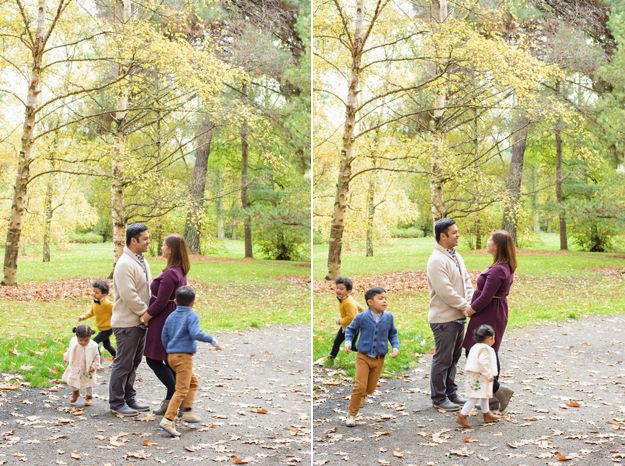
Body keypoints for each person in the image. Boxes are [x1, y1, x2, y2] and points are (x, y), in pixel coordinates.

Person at [462, 230, 516, 412]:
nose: (487, 242)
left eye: (490, 240)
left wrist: (470, 310)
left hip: (489, 313)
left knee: (478, 351)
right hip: (492, 312)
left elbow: (486, 296)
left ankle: (498, 391)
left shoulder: (499, 270)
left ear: (497, 245)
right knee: (485, 350)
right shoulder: (502, 266)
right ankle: (492, 396)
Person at [159, 286, 222, 437]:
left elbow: (164, 336)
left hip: (171, 356)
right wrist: (212, 340)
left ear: (175, 301)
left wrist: (170, 350)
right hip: (183, 358)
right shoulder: (192, 316)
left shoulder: (171, 316)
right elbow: (196, 333)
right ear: (193, 302)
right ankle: (168, 420)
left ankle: (187, 411)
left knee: (192, 383)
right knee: (181, 389)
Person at [426, 218, 474, 412]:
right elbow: (445, 291)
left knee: (454, 357)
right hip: (444, 318)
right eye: (454, 233)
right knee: (443, 358)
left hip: (459, 316)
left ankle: (451, 393)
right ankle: (438, 397)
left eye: (457, 231)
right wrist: (465, 306)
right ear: (442, 236)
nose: (457, 235)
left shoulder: (456, 255)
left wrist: (471, 303)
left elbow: (467, 281)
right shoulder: (436, 260)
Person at [140, 234, 190, 415]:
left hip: (163, 320)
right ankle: (174, 400)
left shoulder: (171, 273)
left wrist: (145, 317)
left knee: (153, 359)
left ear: (171, 249)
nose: (161, 247)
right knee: (169, 361)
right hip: (171, 317)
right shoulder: (179, 270)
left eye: (164, 245)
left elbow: (160, 302)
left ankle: (177, 394)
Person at [109, 223, 152, 417]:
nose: (148, 242)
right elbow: (129, 295)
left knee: (134, 363)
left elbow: (146, 289)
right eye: (145, 239)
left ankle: (129, 397)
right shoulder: (124, 264)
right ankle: (116, 402)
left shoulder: (141, 260)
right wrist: (145, 313)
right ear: (133, 240)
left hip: (140, 322)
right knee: (123, 363)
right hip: (127, 322)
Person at [344, 287, 399, 427]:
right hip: (363, 356)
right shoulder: (362, 317)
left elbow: (393, 333)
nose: (385, 301)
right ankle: (351, 414)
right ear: (370, 302)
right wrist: (349, 342)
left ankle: (363, 395)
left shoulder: (389, 317)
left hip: (379, 358)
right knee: (359, 386)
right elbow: (350, 329)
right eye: (380, 298)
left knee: (370, 389)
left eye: (386, 298)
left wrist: (395, 347)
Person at [456, 325, 500, 428]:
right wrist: (488, 374)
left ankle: (487, 414)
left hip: (477, 376)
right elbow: (483, 363)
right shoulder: (484, 349)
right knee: (474, 397)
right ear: (490, 338)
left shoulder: (475, 347)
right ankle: (462, 415)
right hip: (479, 376)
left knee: (484, 395)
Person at [325, 276, 363, 366]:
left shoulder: (348, 302)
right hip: (346, 327)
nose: (338, 290)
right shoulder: (346, 298)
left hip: (352, 327)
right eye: (337, 288)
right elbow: (356, 304)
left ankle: (367, 353)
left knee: (352, 346)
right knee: (337, 342)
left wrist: (340, 321)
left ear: (348, 291)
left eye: (341, 289)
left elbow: (351, 317)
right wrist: (361, 308)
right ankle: (331, 357)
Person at [62, 325, 100, 406]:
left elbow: (97, 356)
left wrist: (94, 366)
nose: (83, 342)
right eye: (80, 340)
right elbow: (70, 350)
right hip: (75, 366)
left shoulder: (93, 345)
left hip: (88, 367)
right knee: (72, 381)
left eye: (86, 340)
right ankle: (75, 392)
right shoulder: (73, 342)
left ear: (90, 337)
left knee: (88, 383)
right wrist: (66, 357)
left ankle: (88, 397)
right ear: (77, 337)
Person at [78, 280, 116, 359]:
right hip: (101, 328)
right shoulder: (94, 302)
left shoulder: (108, 304)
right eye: (94, 291)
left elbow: (117, 312)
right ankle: (118, 357)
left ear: (104, 294)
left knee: (93, 343)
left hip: (108, 329)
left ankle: (98, 360)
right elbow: (91, 312)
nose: (94, 293)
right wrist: (83, 317)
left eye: (97, 292)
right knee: (107, 345)